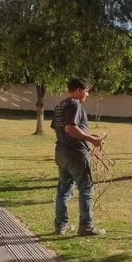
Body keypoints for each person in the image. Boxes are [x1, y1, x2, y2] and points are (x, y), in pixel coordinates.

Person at [51, 78, 106, 235]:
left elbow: (61, 129)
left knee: (64, 189)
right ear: (78, 91)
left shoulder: (60, 106)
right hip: (76, 153)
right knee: (86, 188)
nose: (87, 95)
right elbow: (70, 129)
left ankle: (61, 225)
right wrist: (92, 140)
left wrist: (87, 134)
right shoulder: (75, 104)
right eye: (86, 91)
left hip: (61, 152)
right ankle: (86, 226)